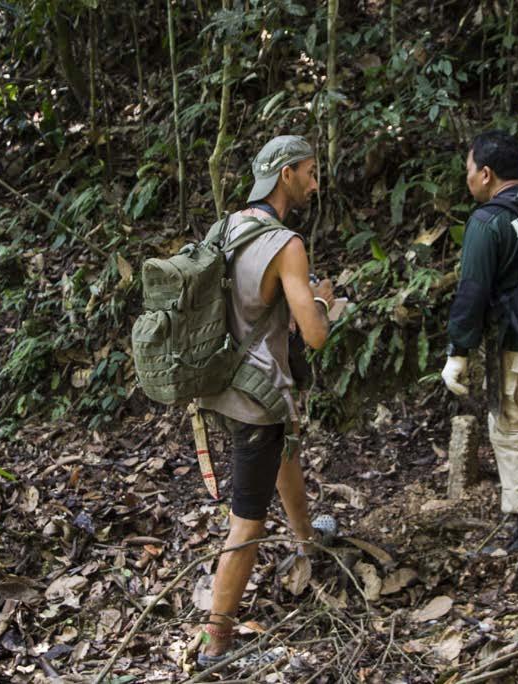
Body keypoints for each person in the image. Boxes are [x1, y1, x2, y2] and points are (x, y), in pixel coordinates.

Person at [196, 135, 334, 663]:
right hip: (257, 397)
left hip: (225, 381)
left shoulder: (229, 226)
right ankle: (217, 643)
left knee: (286, 452)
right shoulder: (286, 244)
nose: (314, 183)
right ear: (285, 175)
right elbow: (315, 335)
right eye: (310, 172)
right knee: (248, 520)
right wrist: (324, 302)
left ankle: (306, 542)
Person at [441, 130, 518, 557]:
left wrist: (458, 351)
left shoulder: (487, 221)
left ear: (487, 173)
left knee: (514, 430)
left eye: (469, 170)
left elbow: (472, 292)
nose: (468, 179)